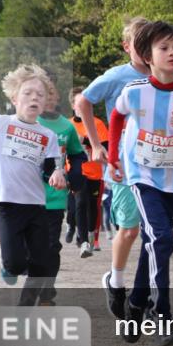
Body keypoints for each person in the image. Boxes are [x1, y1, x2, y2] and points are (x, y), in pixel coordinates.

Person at [108, 20, 173, 346]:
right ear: (148, 55)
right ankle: (160, 312)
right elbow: (117, 116)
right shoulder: (135, 91)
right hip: (141, 174)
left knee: (155, 243)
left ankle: (135, 303)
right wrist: (112, 156)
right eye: (164, 48)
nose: (172, 53)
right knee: (162, 239)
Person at [75, 16, 150, 319]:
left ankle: (147, 298)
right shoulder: (118, 76)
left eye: (151, 41)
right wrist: (96, 144)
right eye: (139, 42)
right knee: (130, 230)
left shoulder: (163, 74)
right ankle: (115, 281)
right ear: (127, 46)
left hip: (155, 164)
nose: (146, 48)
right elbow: (83, 102)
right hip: (123, 163)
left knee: (155, 235)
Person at [0, 64, 67, 307]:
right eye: (28, 93)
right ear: (15, 98)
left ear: (47, 101)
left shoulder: (49, 135)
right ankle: (6, 262)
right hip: (7, 204)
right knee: (15, 265)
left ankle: (24, 308)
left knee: (42, 262)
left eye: (40, 94)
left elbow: (50, 167)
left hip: (37, 205)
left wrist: (57, 173)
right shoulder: (0, 124)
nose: (34, 98)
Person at [37, 79, 86, 305]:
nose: (47, 97)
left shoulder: (66, 127)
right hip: (26, 196)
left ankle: (46, 292)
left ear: (57, 98)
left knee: (50, 247)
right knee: (30, 248)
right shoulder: (26, 122)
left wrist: (75, 175)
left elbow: (77, 154)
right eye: (42, 93)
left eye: (51, 93)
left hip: (55, 196)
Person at [68, 86, 107, 252]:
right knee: (80, 203)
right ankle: (83, 240)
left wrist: (84, 140)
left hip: (95, 172)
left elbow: (106, 145)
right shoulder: (68, 125)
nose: (83, 106)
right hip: (76, 171)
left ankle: (91, 235)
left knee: (92, 207)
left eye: (86, 103)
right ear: (73, 106)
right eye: (79, 103)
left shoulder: (97, 123)